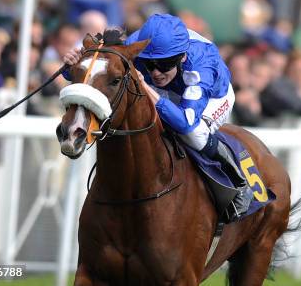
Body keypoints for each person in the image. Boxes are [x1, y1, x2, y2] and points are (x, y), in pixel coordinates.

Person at [63, 14, 253, 218]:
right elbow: (102, 72)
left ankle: (239, 180)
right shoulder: (137, 44)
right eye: (149, 64)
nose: (156, 72)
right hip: (170, 89)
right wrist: (71, 66)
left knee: (194, 134)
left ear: (182, 57)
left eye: (164, 65)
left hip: (213, 97)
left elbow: (186, 123)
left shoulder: (202, 67)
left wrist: (148, 89)